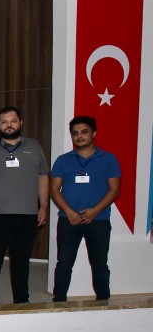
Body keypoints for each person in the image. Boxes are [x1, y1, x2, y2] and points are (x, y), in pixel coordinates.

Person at [0, 106, 49, 305]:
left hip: (27, 214)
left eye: (13, 121)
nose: (9, 125)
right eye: (4, 122)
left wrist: (43, 207)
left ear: (20, 122)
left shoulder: (35, 147)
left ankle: (21, 300)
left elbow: (43, 176)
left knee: (22, 260)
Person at [50, 116, 120, 302]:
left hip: (99, 220)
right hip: (68, 220)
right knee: (64, 263)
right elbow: (54, 189)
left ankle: (103, 301)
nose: (79, 136)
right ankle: (59, 301)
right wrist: (69, 211)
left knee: (100, 264)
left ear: (94, 133)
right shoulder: (63, 160)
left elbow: (115, 190)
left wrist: (95, 210)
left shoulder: (109, 159)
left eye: (84, 132)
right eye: (75, 133)